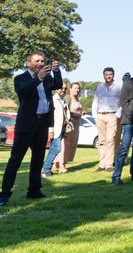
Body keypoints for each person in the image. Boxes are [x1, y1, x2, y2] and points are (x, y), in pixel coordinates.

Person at [0, 53, 62, 206]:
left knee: (38, 159)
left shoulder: (47, 78)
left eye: (42, 61)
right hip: (26, 124)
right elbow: (23, 92)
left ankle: (34, 190)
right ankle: (5, 194)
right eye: (37, 61)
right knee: (16, 159)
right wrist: (38, 78)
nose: (40, 63)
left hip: (42, 124)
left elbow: (57, 85)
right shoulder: (20, 78)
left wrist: (56, 71)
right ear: (28, 63)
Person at [92, 67, 122, 172]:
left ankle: (109, 165)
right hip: (100, 115)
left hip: (112, 115)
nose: (108, 76)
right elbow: (95, 101)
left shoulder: (118, 86)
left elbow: (122, 101)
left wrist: (118, 114)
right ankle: (102, 164)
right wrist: (94, 115)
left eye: (110, 74)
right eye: (106, 74)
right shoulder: (99, 87)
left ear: (113, 75)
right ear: (103, 75)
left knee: (110, 140)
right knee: (102, 141)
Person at [42, 83, 70, 177]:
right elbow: (50, 117)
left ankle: (47, 170)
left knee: (54, 149)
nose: (63, 90)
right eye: (61, 88)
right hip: (54, 129)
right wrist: (50, 130)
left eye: (65, 89)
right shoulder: (53, 100)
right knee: (56, 148)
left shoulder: (63, 100)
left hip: (61, 129)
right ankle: (46, 170)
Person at [54, 82, 83, 171]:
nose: (77, 90)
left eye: (78, 88)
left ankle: (63, 163)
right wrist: (76, 114)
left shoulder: (77, 99)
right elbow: (65, 112)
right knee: (65, 144)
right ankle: (59, 163)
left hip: (76, 124)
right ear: (70, 89)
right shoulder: (67, 98)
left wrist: (80, 114)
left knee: (71, 144)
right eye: (75, 88)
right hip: (69, 124)